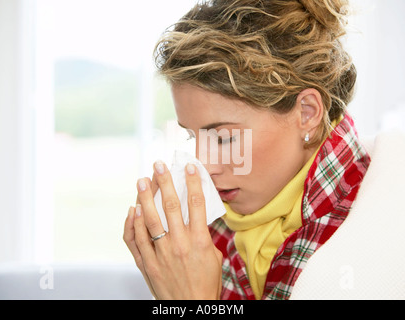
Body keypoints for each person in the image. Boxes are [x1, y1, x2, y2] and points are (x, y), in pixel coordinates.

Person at [123, 0, 372, 300]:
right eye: (192, 137)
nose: (205, 165)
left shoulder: (377, 229)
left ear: (306, 113)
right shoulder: (209, 233)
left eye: (225, 138)